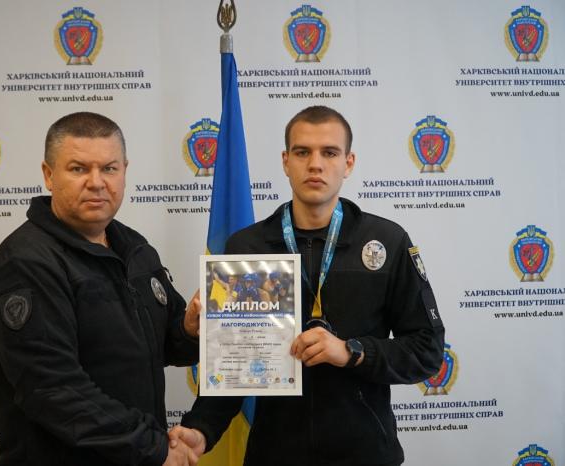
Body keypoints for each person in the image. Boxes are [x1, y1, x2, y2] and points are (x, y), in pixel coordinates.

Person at [171, 106, 445, 465]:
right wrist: (201, 428)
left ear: (348, 163)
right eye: (302, 152)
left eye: (329, 153)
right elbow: (236, 365)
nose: (315, 164)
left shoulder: (386, 242)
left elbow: (426, 350)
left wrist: (352, 351)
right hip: (275, 454)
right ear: (286, 162)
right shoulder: (249, 247)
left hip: (366, 454)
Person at [0, 112, 201, 466]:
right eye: (79, 169)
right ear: (49, 175)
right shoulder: (26, 264)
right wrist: (152, 447)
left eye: (109, 168)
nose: (96, 182)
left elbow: (161, 346)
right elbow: (54, 391)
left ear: (124, 171)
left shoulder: (134, 247)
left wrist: (188, 329)